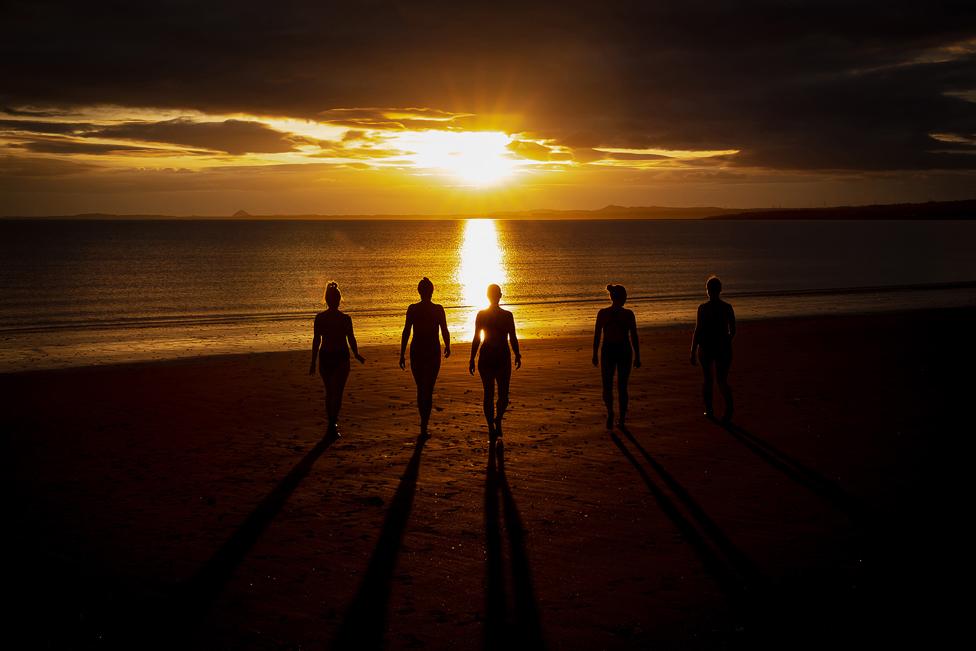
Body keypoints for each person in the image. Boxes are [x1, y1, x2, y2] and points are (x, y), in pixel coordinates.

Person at [309, 281, 365, 437]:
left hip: (326, 356)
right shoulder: (345, 319)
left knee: (329, 392)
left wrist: (313, 361)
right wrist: (356, 354)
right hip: (340, 357)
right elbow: (351, 339)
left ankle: (331, 424)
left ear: (326, 299)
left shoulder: (320, 318)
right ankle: (333, 423)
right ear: (339, 300)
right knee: (337, 393)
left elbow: (316, 341)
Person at [399, 277, 451, 438]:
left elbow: (406, 331)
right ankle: (424, 423)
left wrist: (402, 353)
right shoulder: (438, 309)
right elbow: (445, 330)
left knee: (422, 388)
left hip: (418, 351)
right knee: (427, 388)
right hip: (431, 351)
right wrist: (448, 346)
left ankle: (424, 423)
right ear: (431, 291)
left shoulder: (413, 309)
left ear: (419, 291)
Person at [469, 283, 521, 441]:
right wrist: (472, 357)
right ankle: (491, 426)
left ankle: (497, 419)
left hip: (501, 357)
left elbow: (512, 336)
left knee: (502, 396)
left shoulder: (507, 315)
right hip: (488, 357)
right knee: (490, 394)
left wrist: (517, 353)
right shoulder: (482, 314)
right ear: (497, 295)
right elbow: (477, 337)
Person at [593, 284, 641, 429]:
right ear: (620, 297)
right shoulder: (620, 314)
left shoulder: (611, 313)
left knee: (612, 386)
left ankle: (615, 414)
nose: (626, 298)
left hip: (615, 350)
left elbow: (633, 336)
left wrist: (595, 353)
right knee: (618, 386)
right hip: (617, 350)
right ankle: (617, 416)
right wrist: (637, 355)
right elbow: (634, 336)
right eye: (625, 296)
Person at [690, 275, 735, 422]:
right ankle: (728, 409)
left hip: (707, 347)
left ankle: (709, 410)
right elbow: (733, 330)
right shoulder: (727, 308)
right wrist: (726, 340)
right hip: (723, 347)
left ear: (708, 291)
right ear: (720, 290)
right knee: (722, 380)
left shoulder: (703, 308)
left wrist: (692, 350)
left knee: (708, 379)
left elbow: (698, 330)